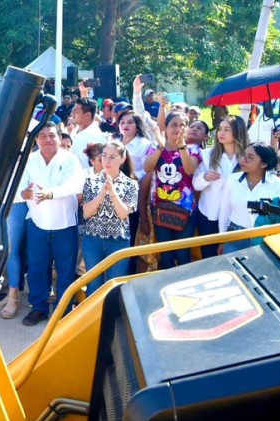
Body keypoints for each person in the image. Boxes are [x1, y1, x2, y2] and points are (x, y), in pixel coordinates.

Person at [17, 123, 83, 325]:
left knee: (66, 269)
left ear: (59, 138)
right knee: (37, 268)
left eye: (52, 135)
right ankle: (39, 308)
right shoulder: (30, 160)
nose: (47, 139)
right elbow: (19, 185)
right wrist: (24, 193)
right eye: (43, 136)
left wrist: (50, 193)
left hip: (65, 224)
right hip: (37, 223)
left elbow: (74, 185)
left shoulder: (70, 159)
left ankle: (64, 311)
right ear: (36, 140)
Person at [140, 111, 203, 270]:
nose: (178, 128)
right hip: (161, 209)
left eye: (182, 125)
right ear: (166, 127)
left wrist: (181, 146)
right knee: (166, 254)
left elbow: (190, 170)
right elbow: (147, 168)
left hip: (186, 211)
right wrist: (160, 147)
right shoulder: (154, 147)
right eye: (174, 125)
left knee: (182, 254)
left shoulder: (193, 149)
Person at [80, 140, 137, 295]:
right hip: (93, 240)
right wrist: (102, 193)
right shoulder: (91, 180)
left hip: (118, 242)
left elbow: (123, 213)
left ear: (122, 159)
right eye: (104, 155)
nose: (107, 160)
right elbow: (86, 212)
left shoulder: (131, 184)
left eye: (112, 157)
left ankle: (110, 312)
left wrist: (112, 191)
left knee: (114, 287)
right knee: (93, 286)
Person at [192, 115, 248, 258]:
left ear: (238, 132)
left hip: (235, 216)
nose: (221, 133)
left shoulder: (247, 157)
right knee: (209, 257)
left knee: (232, 257)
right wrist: (204, 177)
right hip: (209, 214)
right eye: (220, 129)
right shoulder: (207, 155)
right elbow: (196, 185)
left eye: (227, 130)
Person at [217, 144, 280, 251]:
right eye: (243, 155)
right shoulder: (232, 180)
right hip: (235, 236)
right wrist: (222, 239)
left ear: (264, 164)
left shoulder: (279, 185)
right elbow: (225, 210)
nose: (243, 160)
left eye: (250, 157)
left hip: (266, 239)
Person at [69, 98, 108, 171]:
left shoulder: (97, 137)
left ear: (87, 115)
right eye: (73, 110)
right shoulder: (75, 130)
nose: (72, 114)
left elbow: (99, 167)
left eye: (76, 111)